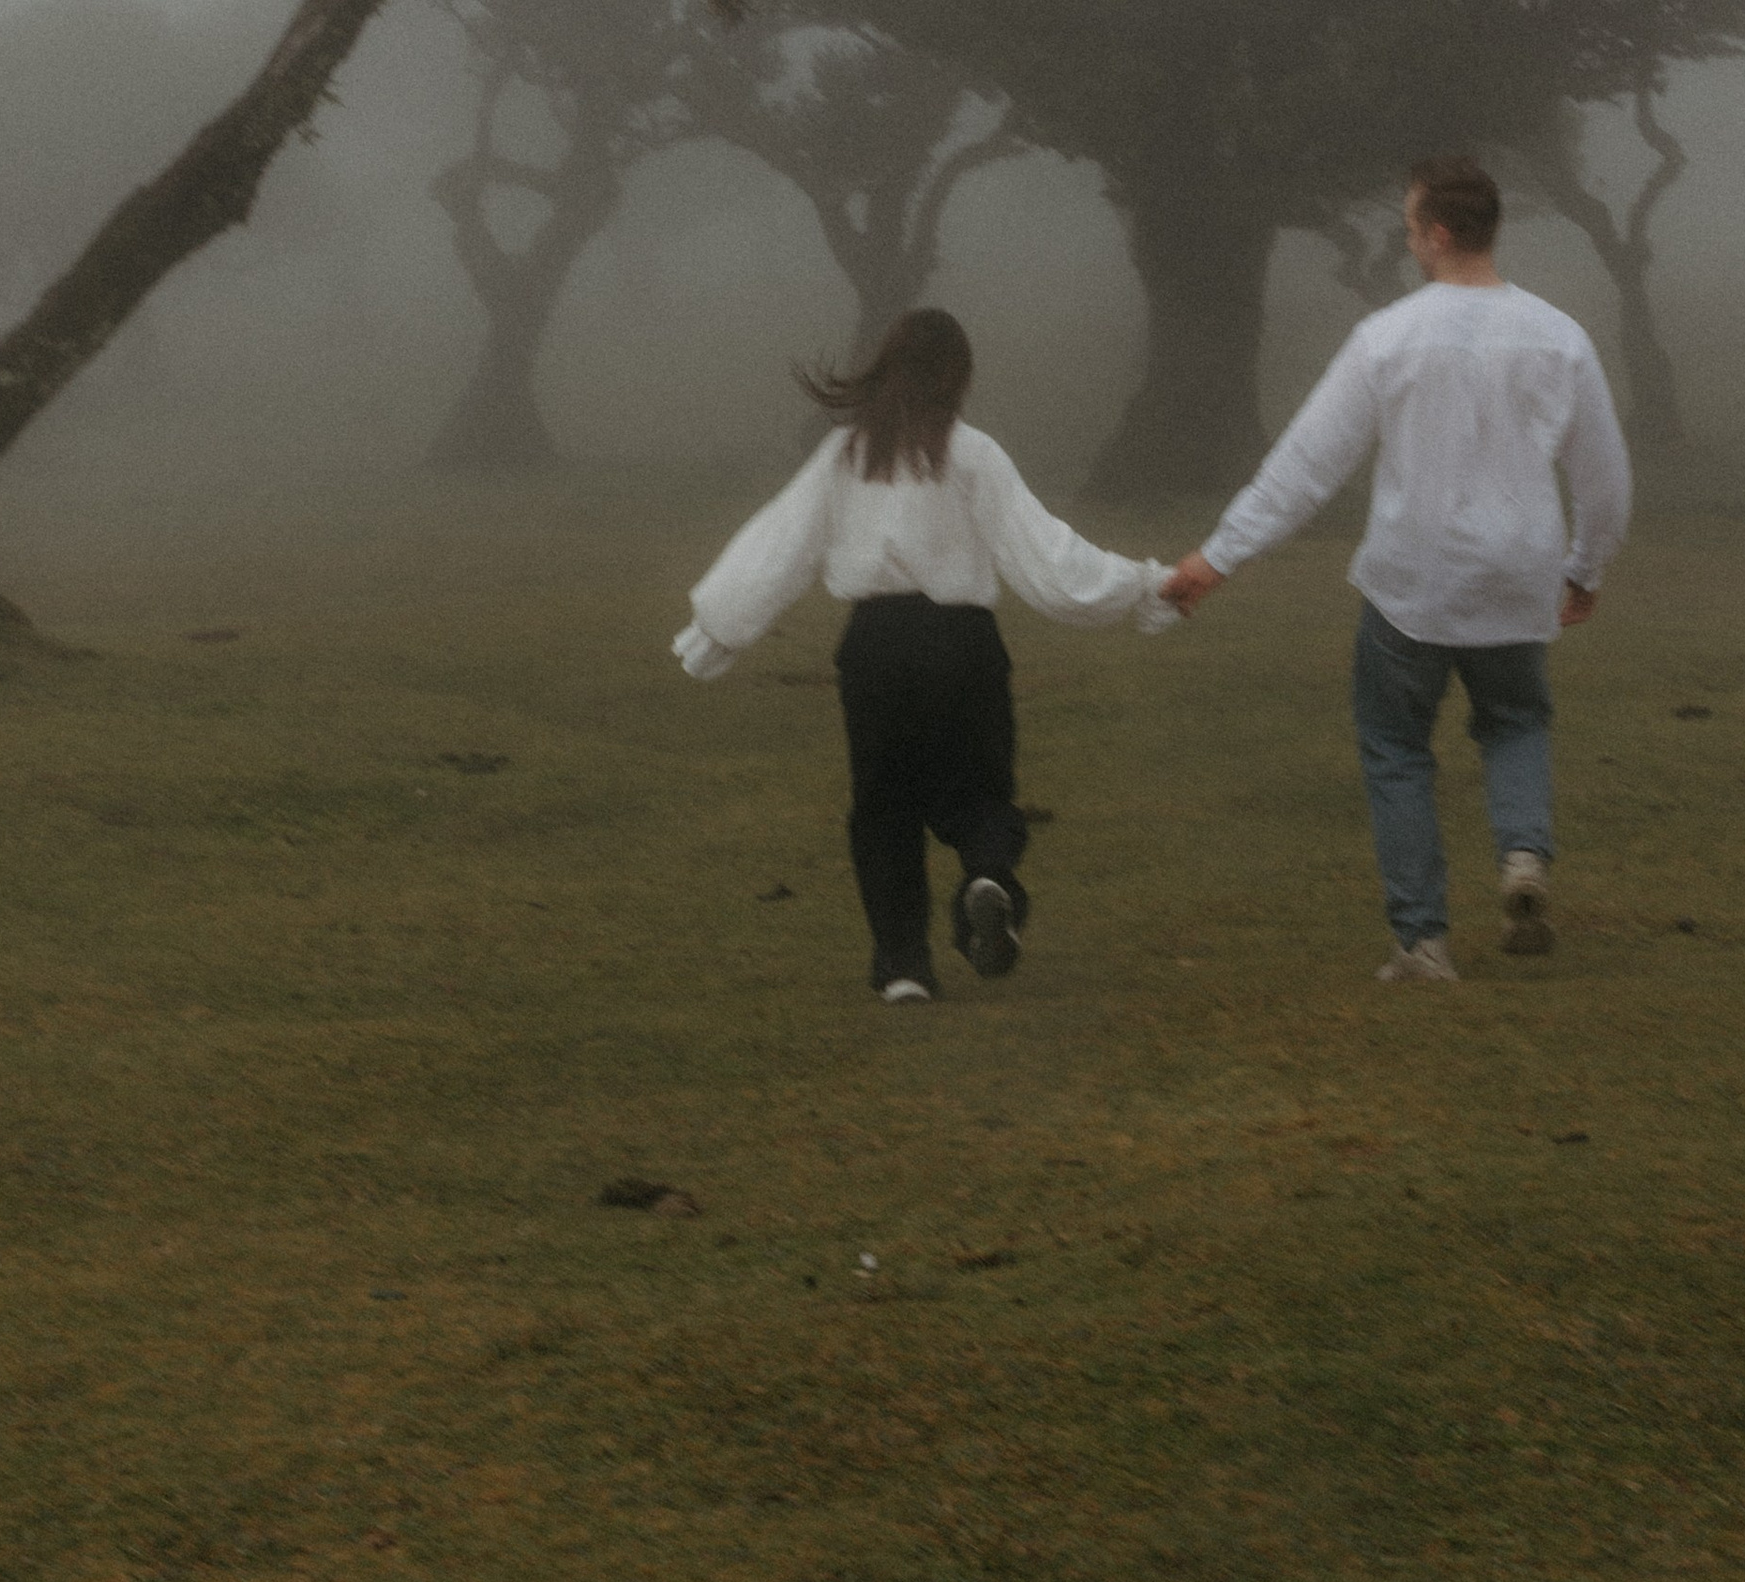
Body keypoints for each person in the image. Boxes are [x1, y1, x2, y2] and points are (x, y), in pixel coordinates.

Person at [1160, 155, 1629, 982]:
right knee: (1517, 723)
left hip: (1412, 582)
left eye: (1411, 225)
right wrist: (1584, 568)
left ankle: (1423, 941)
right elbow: (1605, 479)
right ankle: (1523, 855)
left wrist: (1219, 556)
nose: (1407, 239)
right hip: (1519, 578)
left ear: (1438, 234)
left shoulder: (1387, 338)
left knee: (1396, 750)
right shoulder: (1561, 339)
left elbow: (1308, 463)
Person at [675, 308, 1178, 1001]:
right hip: (962, 647)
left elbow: (780, 544)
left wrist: (719, 627)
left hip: (874, 649)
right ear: (959, 377)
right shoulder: (973, 455)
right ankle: (987, 879)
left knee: (883, 806)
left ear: (887, 366)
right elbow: (1048, 558)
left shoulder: (847, 455)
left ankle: (903, 968)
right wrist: (1146, 585)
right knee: (978, 789)